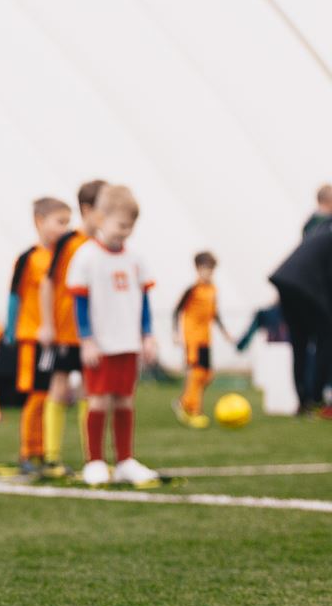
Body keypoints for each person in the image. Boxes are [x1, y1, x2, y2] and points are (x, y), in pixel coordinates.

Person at [66, 184, 160, 486]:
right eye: (120, 225)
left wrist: (147, 335)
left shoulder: (136, 259)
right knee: (98, 401)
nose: (125, 232)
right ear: (100, 218)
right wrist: (87, 340)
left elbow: (143, 301)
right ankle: (94, 461)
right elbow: (80, 303)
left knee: (124, 401)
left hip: (128, 343)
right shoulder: (86, 256)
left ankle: (124, 461)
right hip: (101, 345)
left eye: (130, 227)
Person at [40, 179, 106, 475]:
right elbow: (48, 282)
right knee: (59, 386)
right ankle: (51, 457)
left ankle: (93, 457)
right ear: (88, 210)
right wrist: (47, 324)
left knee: (91, 392)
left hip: (94, 333)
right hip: (66, 330)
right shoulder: (68, 242)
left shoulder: (104, 246)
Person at [5, 197, 71, 475]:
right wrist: (10, 332)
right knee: (37, 393)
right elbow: (14, 296)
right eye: (60, 222)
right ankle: (29, 451)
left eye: (67, 222)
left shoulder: (64, 257)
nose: (65, 228)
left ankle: (46, 450)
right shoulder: (29, 258)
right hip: (33, 338)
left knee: (52, 395)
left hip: (57, 339)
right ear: (39, 221)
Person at [268, 225, 332, 415]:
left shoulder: (321, 232)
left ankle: (304, 402)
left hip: (286, 283)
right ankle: (317, 398)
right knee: (327, 338)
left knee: (299, 343)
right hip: (305, 288)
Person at [173, 252, 232, 427]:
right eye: (204, 269)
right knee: (197, 373)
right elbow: (177, 310)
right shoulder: (192, 290)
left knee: (208, 375)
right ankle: (193, 411)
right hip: (193, 338)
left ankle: (183, 402)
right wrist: (175, 333)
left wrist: (224, 332)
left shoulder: (213, 290)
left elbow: (215, 313)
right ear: (197, 269)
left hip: (206, 338)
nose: (208, 273)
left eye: (210, 269)